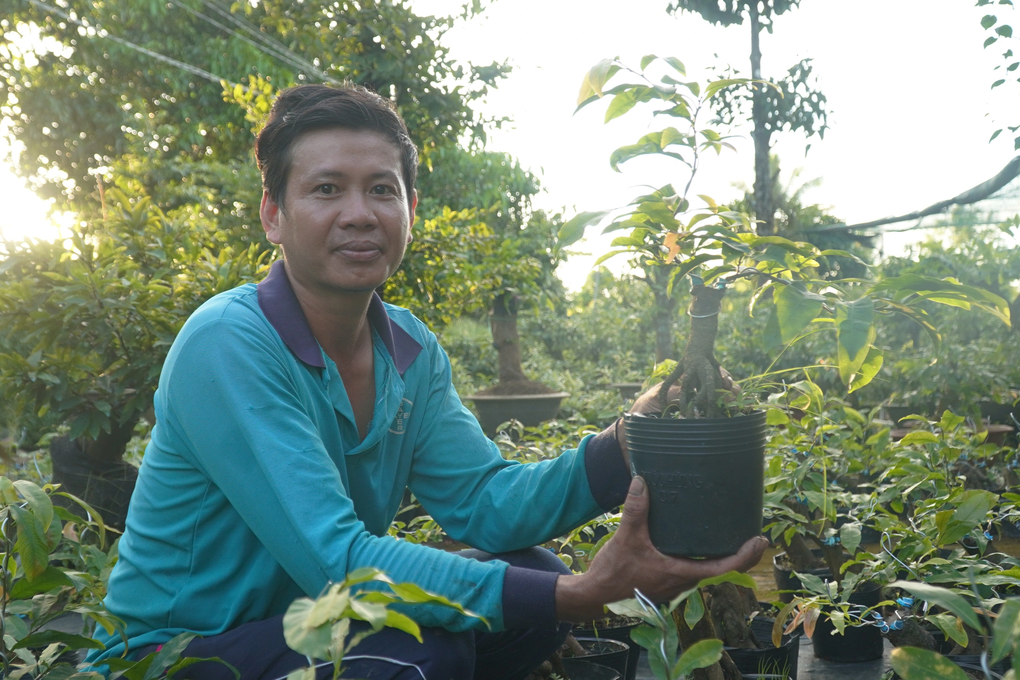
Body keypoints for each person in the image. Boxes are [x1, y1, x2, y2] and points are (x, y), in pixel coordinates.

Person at [87, 84, 766, 679]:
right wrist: (589, 594)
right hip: (176, 655)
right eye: (326, 189)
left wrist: (627, 441)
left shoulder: (408, 348)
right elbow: (340, 562)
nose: (359, 212)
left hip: (311, 630)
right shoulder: (229, 343)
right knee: (420, 654)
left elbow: (486, 502)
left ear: (410, 207)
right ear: (273, 215)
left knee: (532, 582)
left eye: (381, 189)